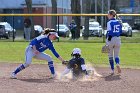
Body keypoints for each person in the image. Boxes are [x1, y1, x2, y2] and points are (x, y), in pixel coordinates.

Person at [106, 9, 122, 75]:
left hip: (111, 39)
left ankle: (112, 70)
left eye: (108, 14)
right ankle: (117, 64)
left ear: (111, 15)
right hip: (118, 39)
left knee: (110, 56)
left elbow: (109, 32)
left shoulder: (109, 22)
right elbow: (120, 31)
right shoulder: (119, 21)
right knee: (116, 55)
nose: (107, 15)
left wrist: (107, 42)